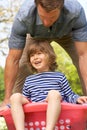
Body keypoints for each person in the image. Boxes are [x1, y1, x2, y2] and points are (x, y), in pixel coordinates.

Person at [0, 0, 87, 110]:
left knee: (81, 61)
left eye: (51, 18)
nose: (46, 23)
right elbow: (13, 58)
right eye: (42, 17)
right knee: (23, 65)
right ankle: (15, 108)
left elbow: (84, 55)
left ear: (61, 9)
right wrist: (7, 98)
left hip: (67, 33)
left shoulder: (75, 12)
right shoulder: (24, 16)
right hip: (36, 35)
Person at [10, 40, 87, 130]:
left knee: (53, 93)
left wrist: (77, 98)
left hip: (57, 117)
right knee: (15, 96)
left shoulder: (59, 76)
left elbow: (69, 95)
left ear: (50, 57)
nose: (35, 57)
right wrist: (11, 103)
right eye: (32, 55)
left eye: (39, 53)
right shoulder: (29, 80)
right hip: (36, 116)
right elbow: (26, 99)